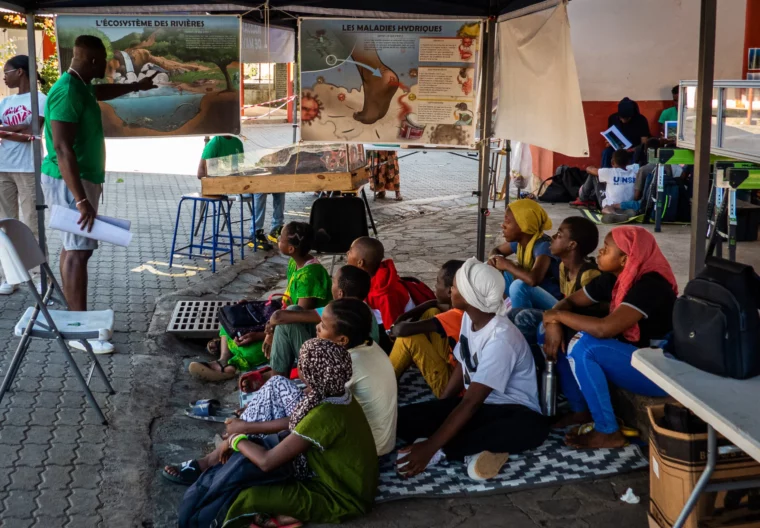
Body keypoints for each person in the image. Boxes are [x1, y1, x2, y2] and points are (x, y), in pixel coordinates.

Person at [165, 300, 396, 488]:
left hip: (358, 452)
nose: (317, 328)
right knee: (277, 387)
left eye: (323, 326)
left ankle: (218, 454)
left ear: (342, 340)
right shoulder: (365, 349)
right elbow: (318, 401)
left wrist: (244, 429)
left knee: (277, 388)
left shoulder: (347, 366)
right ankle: (237, 434)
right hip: (367, 440)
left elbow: (313, 419)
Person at [177, 339, 378, 527]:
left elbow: (267, 462)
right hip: (346, 481)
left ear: (310, 374)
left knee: (248, 497)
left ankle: (274, 516)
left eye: (301, 363)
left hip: (342, 497)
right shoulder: (339, 395)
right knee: (252, 468)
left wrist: (234, 440)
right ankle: (280, 514)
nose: (297, 367)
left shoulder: (323, 415)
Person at [41, 35, 156, 354]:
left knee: (75, 248)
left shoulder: (79, 85)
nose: (107, 67)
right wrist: (80, 200)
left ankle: (73, 317)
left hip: (82, 180)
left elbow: (100, 92)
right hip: (69, 182)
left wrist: (137, 86)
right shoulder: (66, 92)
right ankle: (79, 331)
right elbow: (63, 149)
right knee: (78, 251)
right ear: (91, 61)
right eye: (104, 62)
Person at [396, 258, 549, 481]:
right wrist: (441, 408)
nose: (450, 290)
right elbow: (462, 363)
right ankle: (475, 450)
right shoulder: (470, 317)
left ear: (470, 297)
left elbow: (472, 402)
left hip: (512, 411)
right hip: (481, 408)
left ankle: (448, 449)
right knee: (404, 420)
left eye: (455, 287)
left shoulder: (501, 338)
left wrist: (429, 448)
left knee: (528, 429)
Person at [542, 227, 677, 449]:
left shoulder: (651, 284)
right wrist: (553, 322)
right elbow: (570, 301)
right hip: (634, 357)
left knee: (585, 346)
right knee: (550, 331)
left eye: (606, 249)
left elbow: (605, 329)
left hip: (660, 371)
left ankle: (608, 431)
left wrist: (556, 315)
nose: (600, 253)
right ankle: (581, 410)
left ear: (625, 258)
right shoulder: (614, 278)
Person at [190, 221, 332, 381]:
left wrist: (262, 335)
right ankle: (223, 359)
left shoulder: (309, 276)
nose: (277, 240)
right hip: (283, 318)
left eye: (280, 239)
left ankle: (231, 367)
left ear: (291, 249)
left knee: (255, 349)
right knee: (233, 315)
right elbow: (288, 301)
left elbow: (296, 318)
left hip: (301, 332)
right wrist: (257, 309)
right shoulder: (296, 263)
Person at [264, 265, 381, 379]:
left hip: (336, 373)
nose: (331, 284)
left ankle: (276, 382)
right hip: (347, 360)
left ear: (341, 293)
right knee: (293, 310)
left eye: (333, 282)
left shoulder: (339, 312)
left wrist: (270, 332)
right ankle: (278, 379)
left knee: (285, 325)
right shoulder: (361, 308)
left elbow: (278, 316)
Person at [510, 217, 601, 345]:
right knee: (514, 313)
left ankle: (533, 358)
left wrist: (555, 319)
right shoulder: (564, 266)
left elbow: (588, 315)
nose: (552, 237)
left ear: (572, 245)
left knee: (525, 317)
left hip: (579, 324)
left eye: (559, 235)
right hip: (564, 312)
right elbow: (565, 300)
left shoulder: (589, 275)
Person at [0, 55, 47, 295]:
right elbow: (25, 131)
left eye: (6, 72)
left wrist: (6, 131)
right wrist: (19, 130)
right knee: (6, 224)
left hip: (29, 168)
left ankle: (39, 275)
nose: (4, 76)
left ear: (20, 72)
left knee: (31, 224)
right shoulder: (5, 102)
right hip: (3, 168)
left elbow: (34, 130)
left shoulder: (41, 99)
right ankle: (11, 275)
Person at [389, 260, 465, 397]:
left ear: (449, 291)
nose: (435, 287)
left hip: (452, 390)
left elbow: (402, 331)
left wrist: (395, 327)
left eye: (437, 282)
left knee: (410, 339)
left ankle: (384, 383)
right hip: (453, 365)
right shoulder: (465, 306)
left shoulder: (454, 317)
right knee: (431, 311)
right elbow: (434, 303)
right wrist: (404, 316)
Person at [488, 199, 561, 310]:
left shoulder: (543, 246)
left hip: (553, 303)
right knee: (490, 266)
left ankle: (518, 319)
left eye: (507, 222)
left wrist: (508, 265)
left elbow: (533, 279)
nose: (503, 226)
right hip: (533, 295)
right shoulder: (520, 242)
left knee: (518, 286)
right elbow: (497, 250)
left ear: (524, 225)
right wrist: (495, 259)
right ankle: (502, 307)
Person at [347, 236, 413, 331]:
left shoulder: (385, 293)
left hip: (394, 326)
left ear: (360, 263)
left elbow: (393, 328)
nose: (347, 253)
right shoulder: (370, 275)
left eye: (350, 251)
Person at [576, 149, 639, 218]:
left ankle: (584, 198)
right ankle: (623, 211)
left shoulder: (609, 172)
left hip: (612, 204)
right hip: (627, 204)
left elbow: (589, 170)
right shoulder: (634, 173)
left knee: (594, 175)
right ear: (628, 162)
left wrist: (591, 168)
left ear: (612, 162)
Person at [600, 97, 651, 169]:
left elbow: (644, 143)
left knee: (638, 154)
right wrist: (609, 142)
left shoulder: (641, 120)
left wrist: (631, 150)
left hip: (634, 149)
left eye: (626, 118)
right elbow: (610, 135)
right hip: (618, 149)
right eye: (621, 118)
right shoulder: (613, 118)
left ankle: (631, 176)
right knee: (606, 152)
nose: (623, 120)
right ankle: (605, 174)